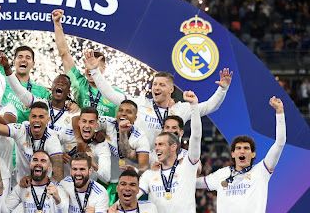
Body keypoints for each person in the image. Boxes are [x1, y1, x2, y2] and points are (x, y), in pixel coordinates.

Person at [84, 51, 232, 144]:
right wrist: (95, 72)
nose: (156, 88)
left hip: (166, 168)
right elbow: (110, 94)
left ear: (171, 89)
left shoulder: (182, 109)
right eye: (155, 84)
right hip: (139, 164)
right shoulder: (140, 103)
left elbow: (211, 106)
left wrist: (222, 89)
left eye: (161, 85)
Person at [0, 3, 49, 122]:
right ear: (14, 61)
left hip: (22, 138)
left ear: (33, 64)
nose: (23, 59)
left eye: (28, 58)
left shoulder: (41, 91)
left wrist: (70, 103)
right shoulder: (1, 73)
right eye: (20, 57)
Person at [0, 52, 77, 150]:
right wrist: (7, 67)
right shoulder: (41, 105)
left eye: (63, 84)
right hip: (34, 159)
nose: (59, 85)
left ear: (68, 92)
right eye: (56, 83)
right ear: (51, 88)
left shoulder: (74, 113)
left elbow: (76, 142)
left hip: (59, 160)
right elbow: (20, 91)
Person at [51, 9, 119, 118]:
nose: (90, 69)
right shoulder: (79, 83)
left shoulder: (115, 93)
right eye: (87, 65)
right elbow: (64, 53)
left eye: (95, 66)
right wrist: (57, 24)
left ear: (104, 68)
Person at [0, 101, 64, 182]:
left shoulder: (52, 139)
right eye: (34, 116)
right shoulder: (22, 129)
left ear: (48, 120)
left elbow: (58, 172)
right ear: (29, 118)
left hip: (42, 185)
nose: (37, 120)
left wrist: (42, 186)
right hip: (20, 183)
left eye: (41, 117)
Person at [100, 99, 150, 203]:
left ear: (135, 118)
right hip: (106, 183)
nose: (123, 113)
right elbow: (83, 120)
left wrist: (136, 171)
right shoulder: (107, 123)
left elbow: (144, 167)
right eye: (121, 110)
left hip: (128, 187)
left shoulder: (140, 137)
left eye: (129, 111)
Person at [69, 107, 111, 183]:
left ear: (96, 125)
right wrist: (61, 153)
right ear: (79, 123)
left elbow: (106, 177)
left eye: (91, 122)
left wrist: (91, 162)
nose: (87, 125)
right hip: (64, 184)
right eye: (84, 121)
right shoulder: (68, 133)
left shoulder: (102, 145)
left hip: (85, 189)